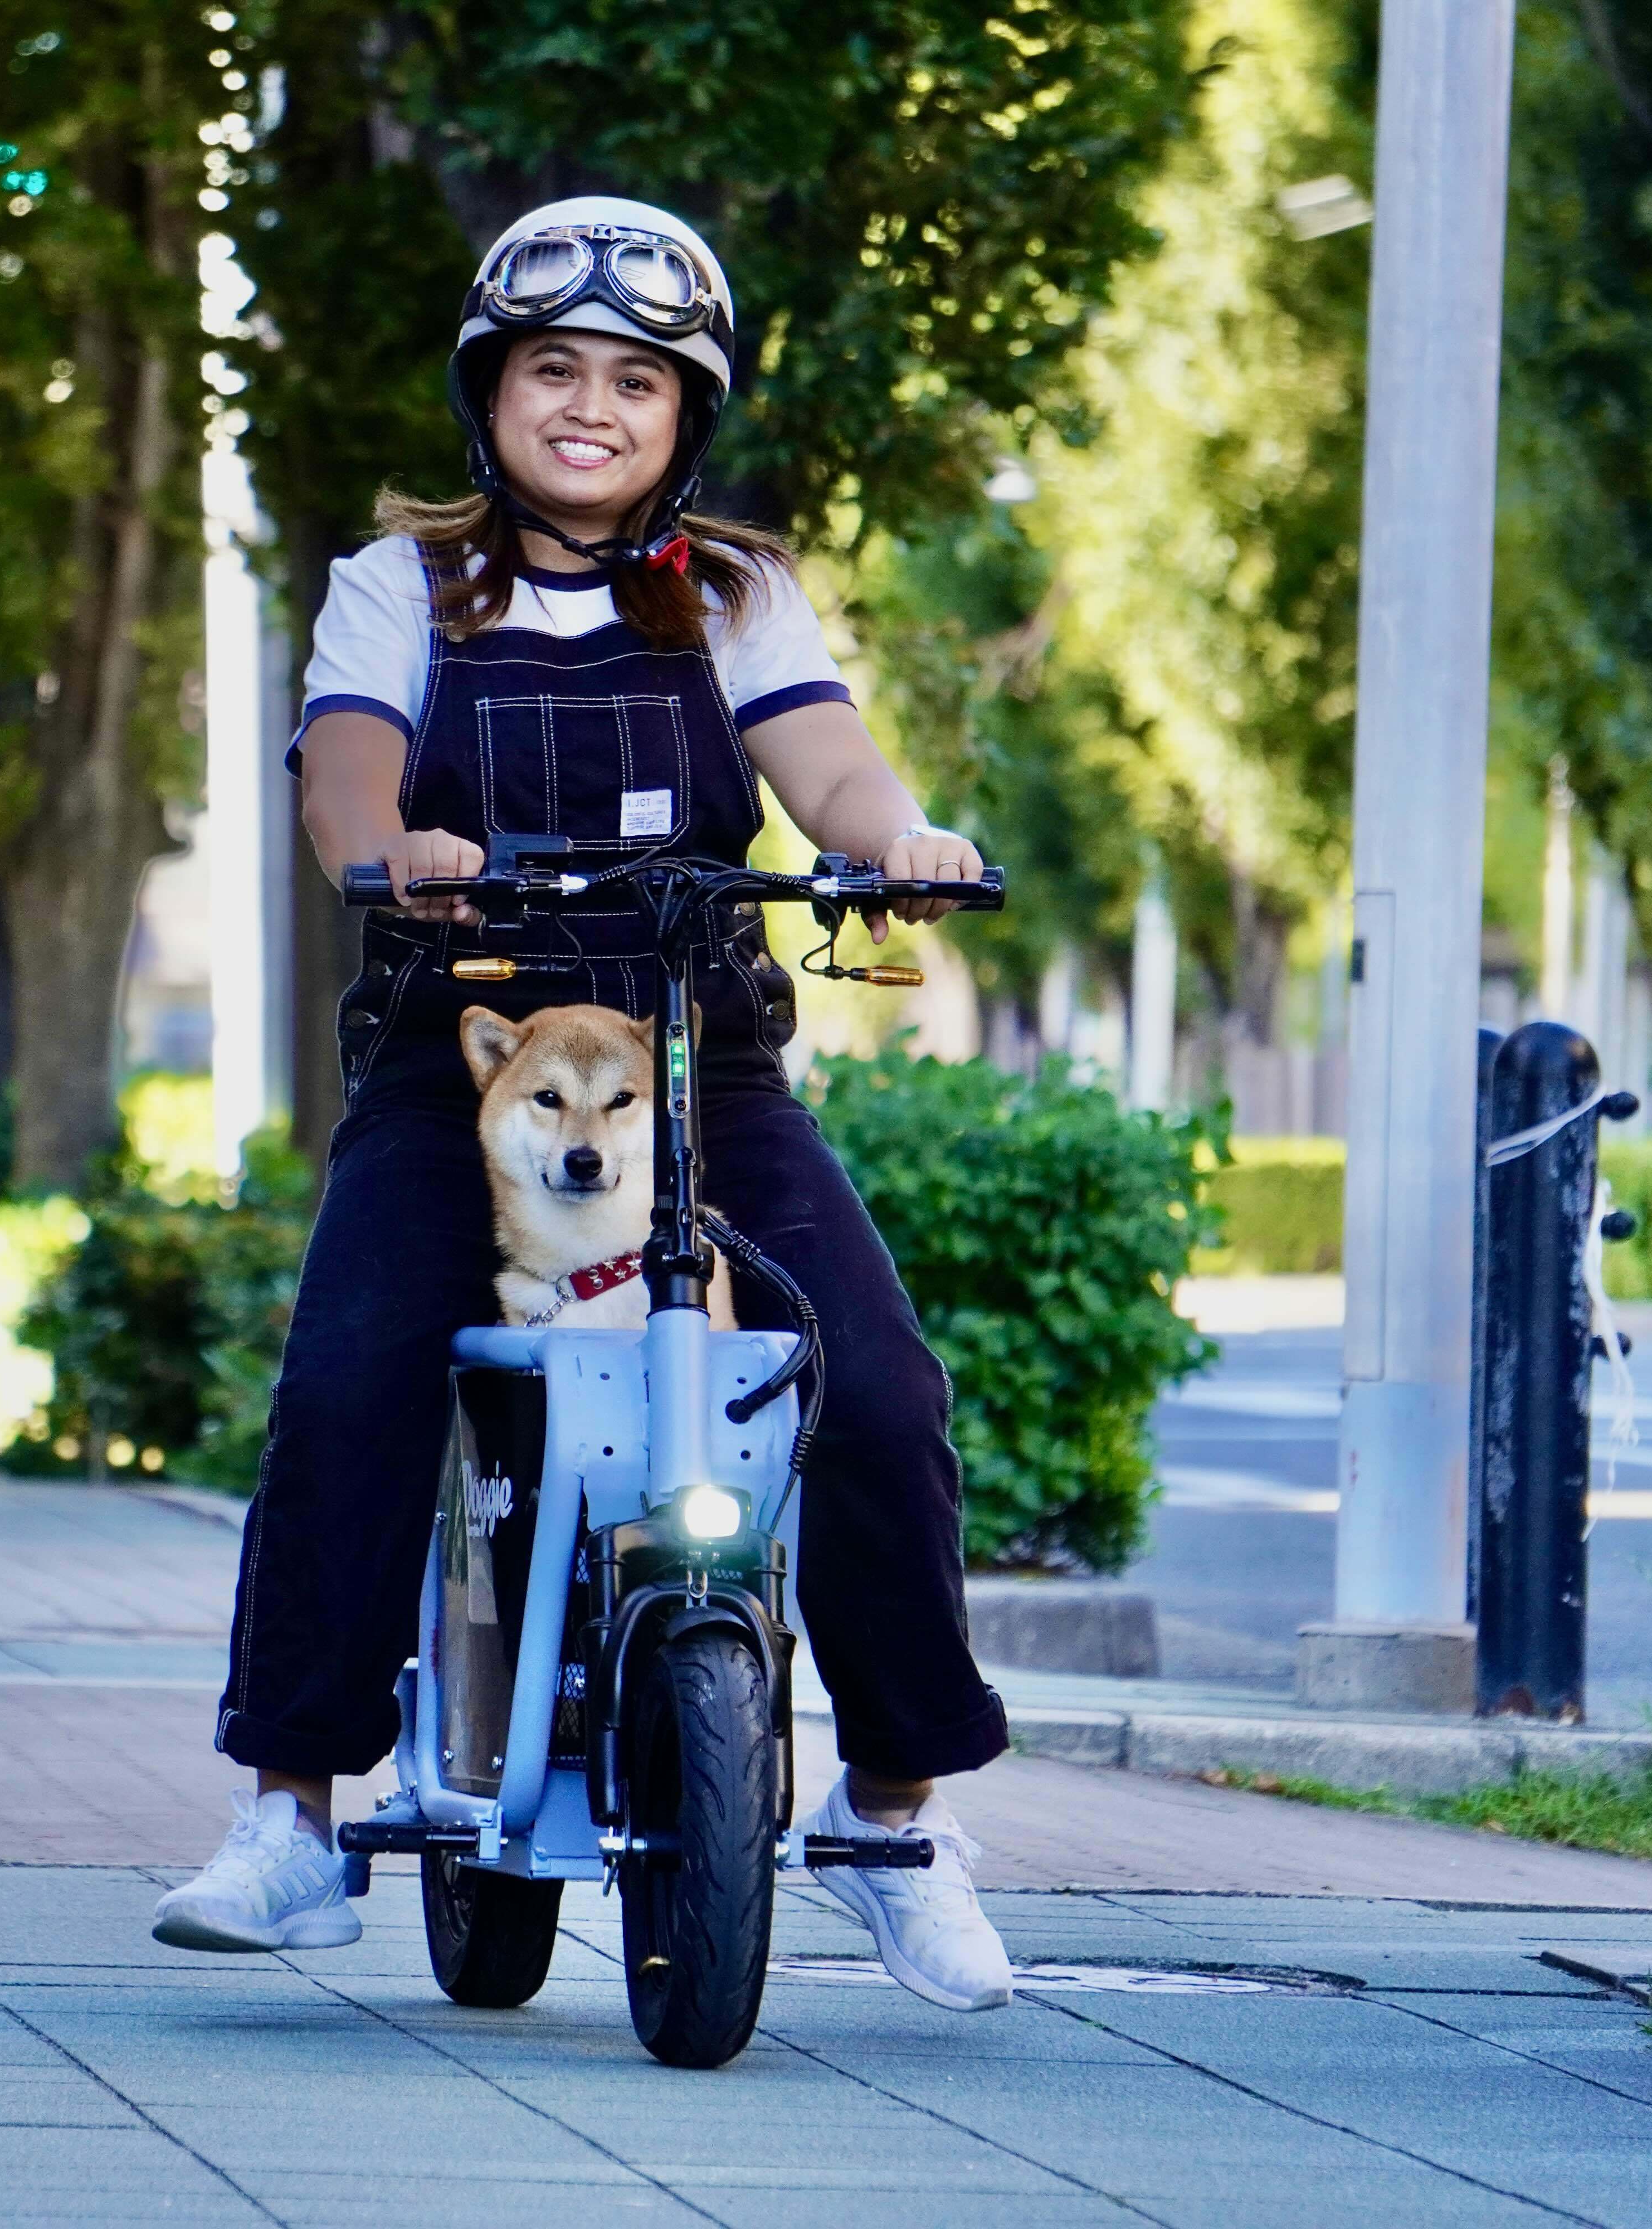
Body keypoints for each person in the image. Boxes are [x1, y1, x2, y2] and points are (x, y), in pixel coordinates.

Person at [152, 199, 1017, 2013]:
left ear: (680, 416)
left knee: (866, 1383)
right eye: (552, 369)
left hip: (693, 1053)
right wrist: (395, 856)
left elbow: (829, 764)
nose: (589, 408)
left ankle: (888, 1819)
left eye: (634, 381)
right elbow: (345, 776)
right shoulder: (399, 582)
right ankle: (294, 1816)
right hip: (456, 1052)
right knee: (348, 1379)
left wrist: (894, 844)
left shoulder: (729, 590)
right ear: (492, 391)